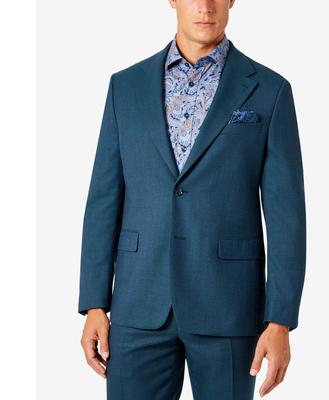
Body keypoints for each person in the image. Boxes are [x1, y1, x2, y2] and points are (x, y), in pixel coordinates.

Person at [78, 0, 306, 398]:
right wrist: (94, 302)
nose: (205, 6)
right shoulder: (125, 87)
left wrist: (280, 320)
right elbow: (103, 199)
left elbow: (287, 217)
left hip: (228, 307)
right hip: (138, 302)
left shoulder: (270, 91)